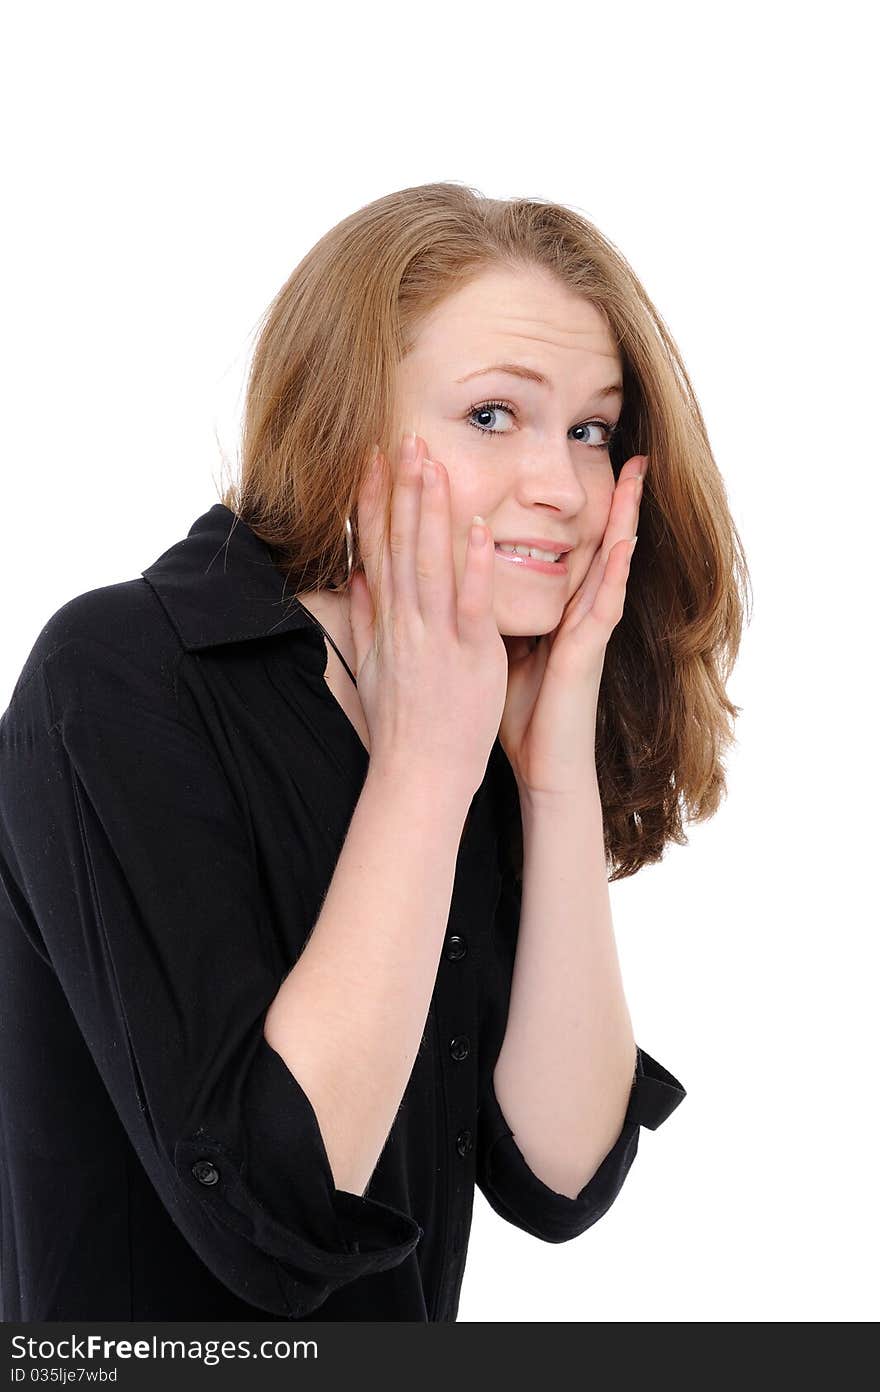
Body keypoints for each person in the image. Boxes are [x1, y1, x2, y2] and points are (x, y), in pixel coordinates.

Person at [0, 182, 747, 1322]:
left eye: (590, 430)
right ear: (345, 420)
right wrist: (422, 771)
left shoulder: (470, 684)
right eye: (493, 415)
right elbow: (273, 1218)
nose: (561, 488)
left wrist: (547, 781)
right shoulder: (116, 677)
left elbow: (558, 1173)